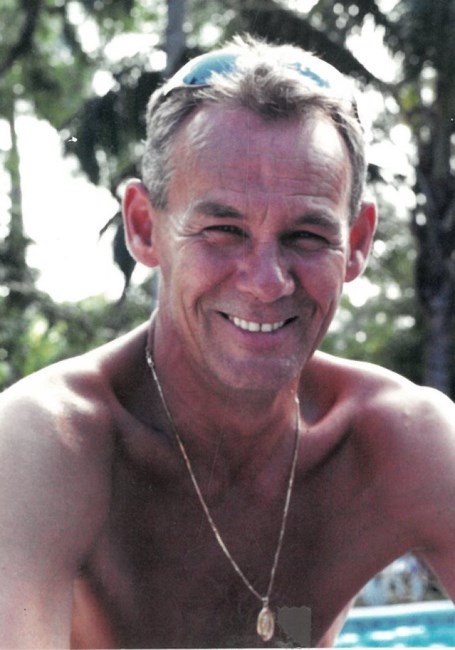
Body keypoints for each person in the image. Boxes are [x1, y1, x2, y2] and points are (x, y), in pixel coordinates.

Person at [1, 34, 455, 649]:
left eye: (306, 236)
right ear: (144, 227)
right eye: (222, 230)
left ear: (356, 244)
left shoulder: (397, 441)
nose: (266, 281)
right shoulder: (50, 444)